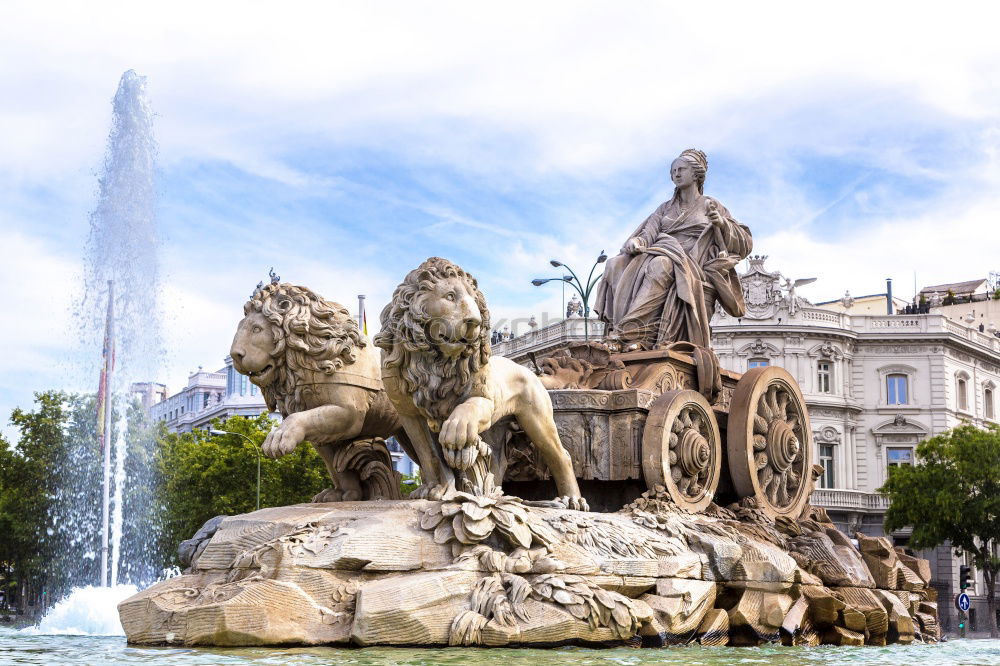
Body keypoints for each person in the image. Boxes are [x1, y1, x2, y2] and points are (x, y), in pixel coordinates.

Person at [595, 149, 752, 350]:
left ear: (696, 174)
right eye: (673, 171)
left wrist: (722, 223)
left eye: (681, 169)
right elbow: (649, 232)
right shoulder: (665, 208)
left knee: (661, 264)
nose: (676, 174)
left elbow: (745, 241)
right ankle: (627, 332)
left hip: (694, 262)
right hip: (662, 251)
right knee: (615, 264)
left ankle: (628, 333)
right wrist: (637, 241)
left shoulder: (710, 205)